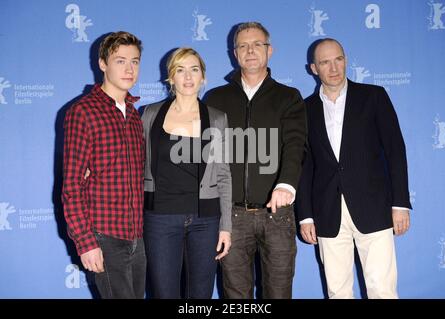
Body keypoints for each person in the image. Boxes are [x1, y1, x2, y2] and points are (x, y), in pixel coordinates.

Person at [297, 38, 411, 299]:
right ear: (314, 68)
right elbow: (304, 166)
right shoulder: (305, 110)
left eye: (338, 59)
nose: (333, 67)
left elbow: (395, 150)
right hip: (327, 212)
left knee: (382, 289)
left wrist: (401, 203)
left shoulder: (373, 96)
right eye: (325, 62)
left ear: (345, 60)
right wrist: (305, 216)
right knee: (337, 291)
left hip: (374, 208)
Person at [204, 22, 307, 299]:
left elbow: (296, 145)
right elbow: (207, 156)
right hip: (231, 217)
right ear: (235, 53)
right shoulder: (215, 98)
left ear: (269, 50)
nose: (250, 51)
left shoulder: (289, 97)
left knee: (279, 293)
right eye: (243, 46)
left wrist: (286, 184)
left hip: (278, 215)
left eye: (257, 44)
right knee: (235, 296)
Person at [141, 47, 232, 299]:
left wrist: (226, 227)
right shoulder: (150, 114)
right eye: (180, 70)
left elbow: (223, 175)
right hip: (159, 219)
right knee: (163, 293)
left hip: (206, 220)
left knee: (201, 296)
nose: (188, 76)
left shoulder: (216, 119)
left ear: (203, 76)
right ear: (171, 77)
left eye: (194, 69)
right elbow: (135, 163)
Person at [62, 31, 146, 298]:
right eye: (120, 61)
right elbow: (71, 186)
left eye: (134, 61)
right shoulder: (83, 112)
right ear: (102, 64)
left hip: (138, 236)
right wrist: (86, 243)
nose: (129, 68)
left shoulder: (135, 115)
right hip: (104, 236)